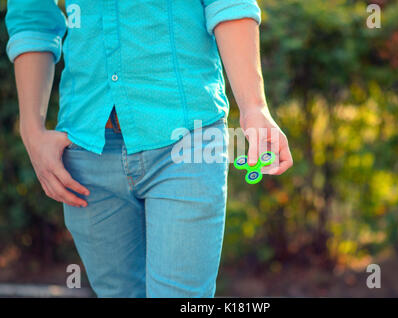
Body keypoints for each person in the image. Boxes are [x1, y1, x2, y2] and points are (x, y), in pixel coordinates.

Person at [5, 0, 293, 297]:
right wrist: (31, 131)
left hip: (187, 141)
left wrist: (254, 107)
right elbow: (31, 16)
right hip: (87, 147)